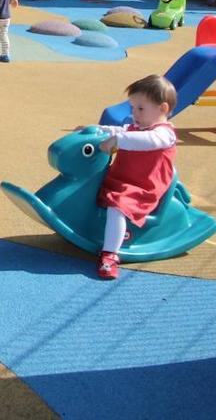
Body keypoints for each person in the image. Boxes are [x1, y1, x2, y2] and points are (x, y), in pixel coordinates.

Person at [90, 75, 179, 280]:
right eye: (132, 108)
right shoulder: (136, 128)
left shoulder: (164, 134)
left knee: (117, 205)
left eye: (140, 108)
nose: (134, 113)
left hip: (141, 186)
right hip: (121, 179)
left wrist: (118, 139)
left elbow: (144, 141)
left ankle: (110, 254)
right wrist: (98, 130)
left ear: (162, 109)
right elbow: (121, 131)